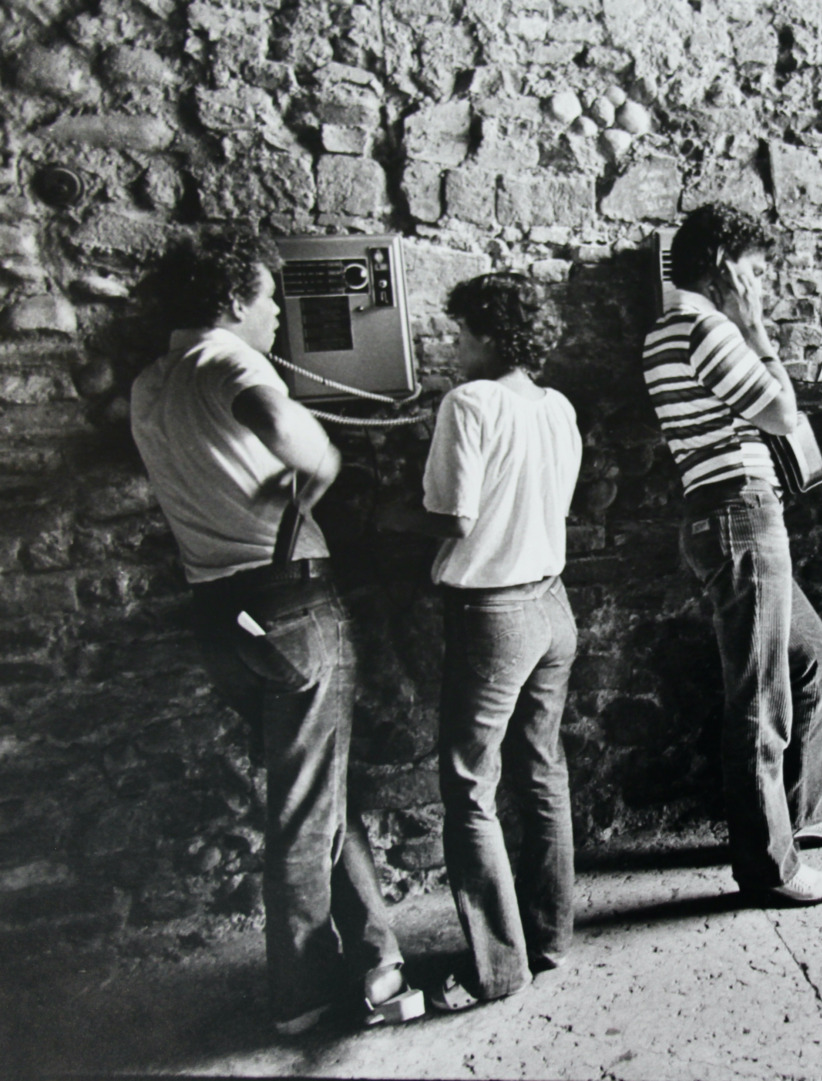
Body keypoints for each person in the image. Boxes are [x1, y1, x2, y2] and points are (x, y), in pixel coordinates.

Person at [130, 232, 422, 1034]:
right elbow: (273, 418)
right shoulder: (229, 362)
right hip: (291, 604)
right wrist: (316, 457)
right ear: (233, 302)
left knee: (316, 796)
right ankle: (301, 994)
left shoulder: (150, 383)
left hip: (223, 616)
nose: (273, 322)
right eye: (265, 303)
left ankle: (377, 960)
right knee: (305, 813)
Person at [642, 202, 822, 906]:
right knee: (760, 698)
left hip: (725, 512)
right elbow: (781, 414)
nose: (763, 283)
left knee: (812, 654)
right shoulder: (707, 325)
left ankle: (804, 814)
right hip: (741, 510)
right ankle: (770, 867)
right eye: (757, 270)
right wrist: (755, 322)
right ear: (725, 265)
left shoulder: (668, 329)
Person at [379, 273, 582, 1012]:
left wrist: (387, 516)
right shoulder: (556, 406)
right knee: (542, 770)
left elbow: (453, 517)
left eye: (462, 333)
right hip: (553, 607)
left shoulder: (468, 403)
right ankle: (549, 935)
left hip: (492, 611)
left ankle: (497, 967)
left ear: (491, 335)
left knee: (469, 786)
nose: (455, 346)